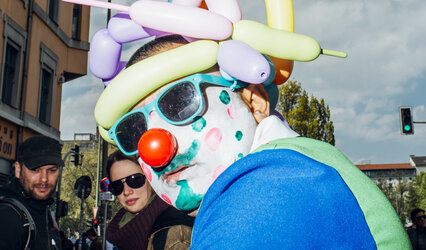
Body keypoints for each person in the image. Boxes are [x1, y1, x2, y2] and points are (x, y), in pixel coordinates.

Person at [95, 35, 409, 248]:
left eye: (181, 102)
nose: (155, 148)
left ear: (254, 101)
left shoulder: (258, 202)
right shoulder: (301, 165)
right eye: (135, 130)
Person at [0, 135, 73, 250]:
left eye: (52, 170)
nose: (44, 179)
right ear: (18, 170)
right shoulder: (5, 217)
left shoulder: (44, 212)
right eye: (35, 170)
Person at [103, 150, 193, 250]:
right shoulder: (118, 231)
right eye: (117, 186)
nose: (126, 192)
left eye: (135, 180)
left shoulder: (175, 230)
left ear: (151, 179)